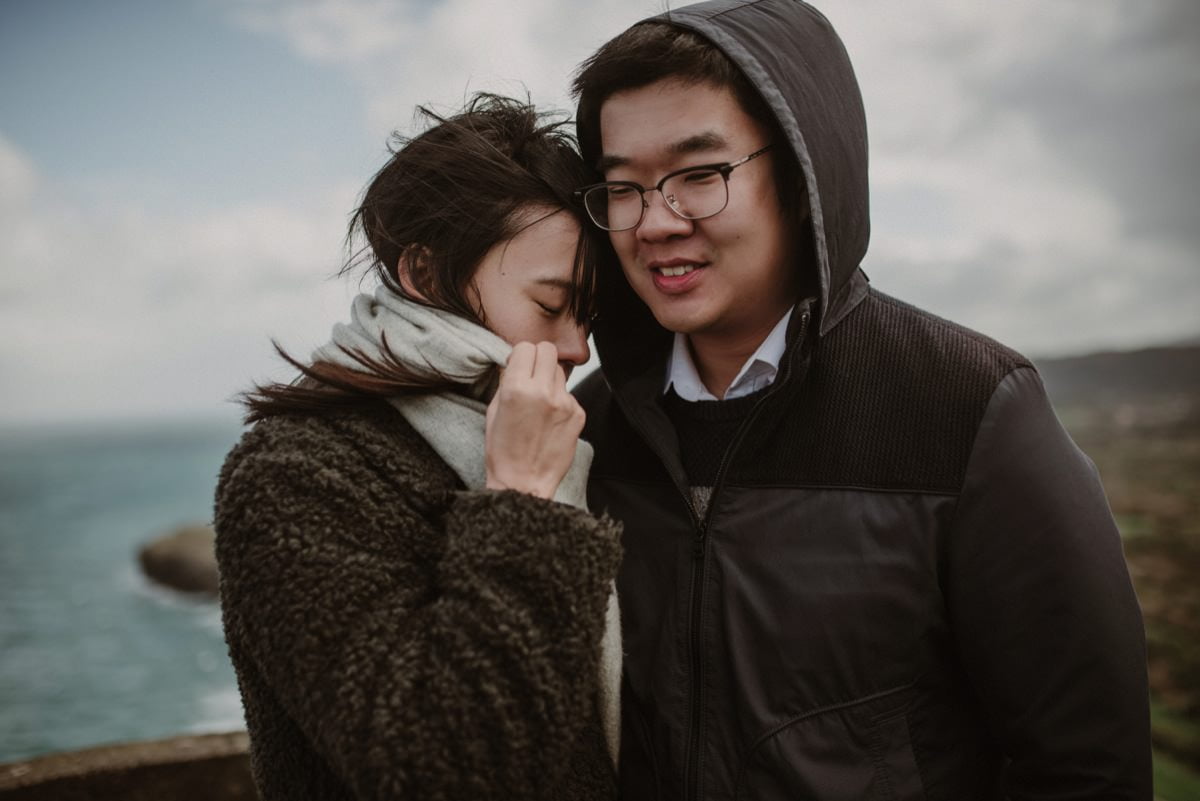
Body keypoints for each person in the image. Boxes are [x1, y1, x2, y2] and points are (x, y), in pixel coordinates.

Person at [570, 2, 1152, 798]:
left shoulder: (971, 408)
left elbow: (1087, 766)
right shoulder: (586, 430)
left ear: (805, 174)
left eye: (699, 175)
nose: (655, 222)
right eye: (622, 187)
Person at [213, 94, 622, 801]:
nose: (576, 347)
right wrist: (522, 495)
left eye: (587, 315)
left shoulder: (575, 438)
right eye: (551, 305)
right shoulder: (291, 475)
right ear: (425, 276)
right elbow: (439, 771)